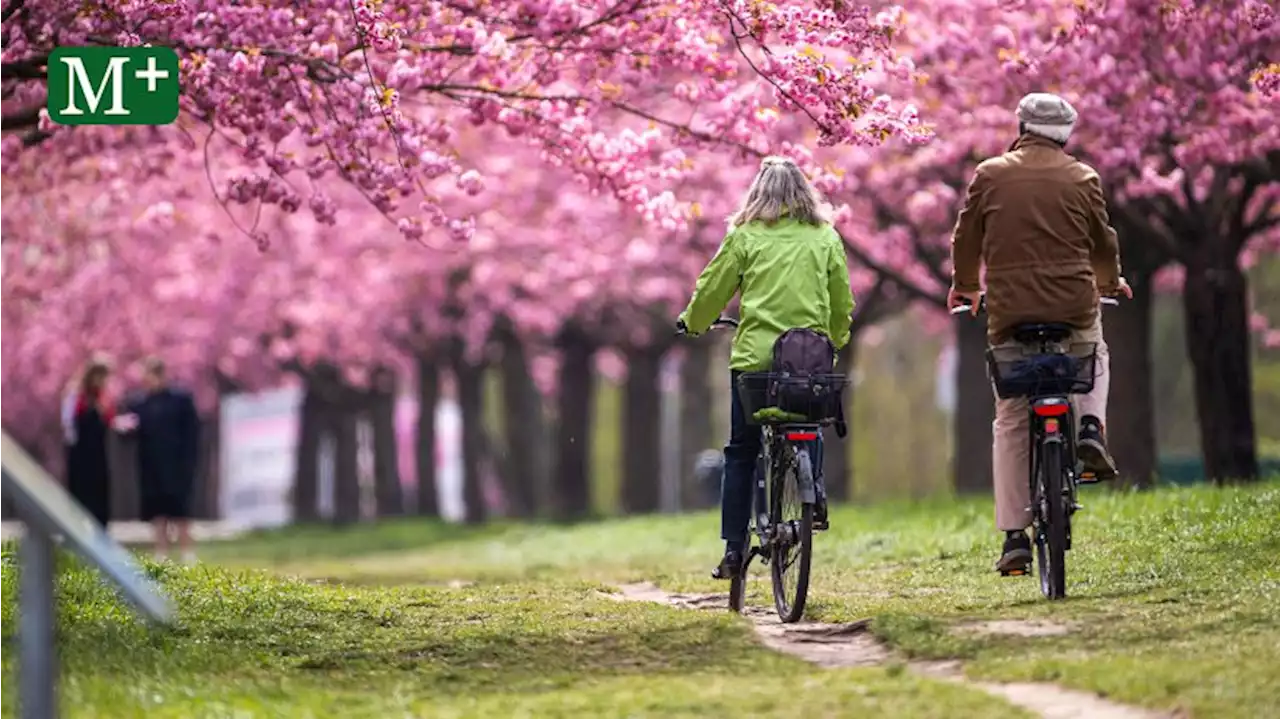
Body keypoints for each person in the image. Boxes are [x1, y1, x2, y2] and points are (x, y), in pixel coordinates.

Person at [947, 92, 1133, 574]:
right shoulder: (1083, 176)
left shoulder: (990, 173)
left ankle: (1014, 536)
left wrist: (965, 286)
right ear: (1066, 134)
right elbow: (1102, 239)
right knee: (1094, 350)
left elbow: (966, 237)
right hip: (1073, 303)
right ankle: (1090, 426)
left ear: (1021, 126)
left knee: (1011, 414)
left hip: (1010, 308)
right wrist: (1109, 281)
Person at [676, 155, 856, 580]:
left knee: (741, 452)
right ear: (804, 193)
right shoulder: (824, 237)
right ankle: (814, 497)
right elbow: (841, 300)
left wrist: (695, 323)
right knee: (809, 423)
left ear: (759, 193)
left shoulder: (744, 236)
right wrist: (835, 338)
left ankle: (734, 550)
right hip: (808, 361)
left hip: (755, 364)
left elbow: (713, 288)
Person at [120, 357, 201, 563]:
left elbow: (192, 432)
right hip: (150, 463)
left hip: (177, 462)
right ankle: (161, 551)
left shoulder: (181, 400)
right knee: (157, 510)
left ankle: (186, 551)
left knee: (181, 509)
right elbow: (132, 434)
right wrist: (125, 429)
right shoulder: (139, 403)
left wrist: (190, 461)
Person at [64, 358, 116, 527]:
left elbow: (109, 420)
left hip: (99, 453)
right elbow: (68, 423)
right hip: (80, 453)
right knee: (80, 495)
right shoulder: (75, 395)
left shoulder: (103, 397)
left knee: (100, 495)